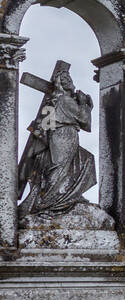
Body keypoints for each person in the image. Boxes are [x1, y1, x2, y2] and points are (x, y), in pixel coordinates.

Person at [15, 68, 96, 220]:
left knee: (85, 159)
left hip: (62, 134)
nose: (69, 81)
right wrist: (85, 104)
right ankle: (48, 204)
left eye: (69, 78)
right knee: (59, 168)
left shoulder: (57, 99)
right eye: (65, 79)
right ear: (61, 84)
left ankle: (68, 194)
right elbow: (85, 123)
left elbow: (48, 124)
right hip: (64, 134)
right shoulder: (65, 100)